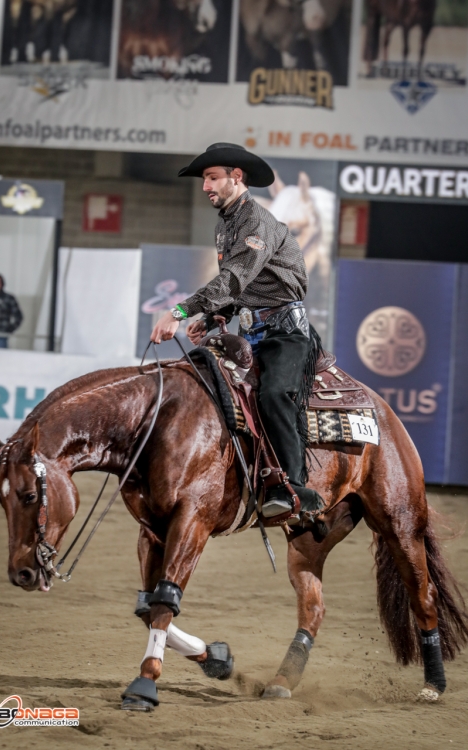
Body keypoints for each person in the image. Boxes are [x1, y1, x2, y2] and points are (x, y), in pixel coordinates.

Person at [150, 142, 325, 520]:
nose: (205, 187)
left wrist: (180, 311)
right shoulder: (226, 224)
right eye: (204, 180)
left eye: (212, 178)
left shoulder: (257, 222)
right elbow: (244, 288)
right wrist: (217, 317)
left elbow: (234, 278)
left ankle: (293, 488)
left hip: (284, 335)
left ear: (237, 177)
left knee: (275, 393)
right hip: (252, 333)